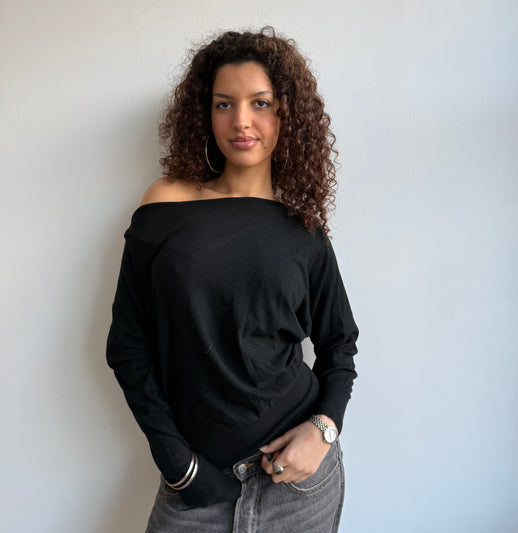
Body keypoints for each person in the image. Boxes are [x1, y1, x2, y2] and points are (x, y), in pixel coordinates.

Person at [106, 27, 359, 533]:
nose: (241, 121)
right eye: (224, 104)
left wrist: (323, 430)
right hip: (197, 481)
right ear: (205, 113)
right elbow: (128, 345)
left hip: (299, 484)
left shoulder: (303, 230)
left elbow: (339, 345)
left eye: (260, 103)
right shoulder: (165, 203)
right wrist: (178, 464)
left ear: (287, 113)